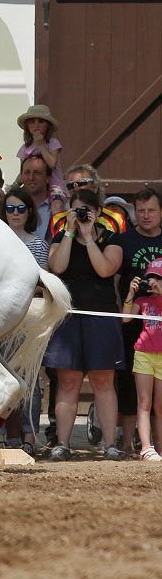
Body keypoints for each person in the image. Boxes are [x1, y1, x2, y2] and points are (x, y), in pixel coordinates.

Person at [45, 187, 124, 461]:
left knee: (104, 382)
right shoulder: (60, 236)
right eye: (75, 210)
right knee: (68, 382)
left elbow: (105, 269)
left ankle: (110, 445)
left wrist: (90, 237)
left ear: (98, 212)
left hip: (101, 317)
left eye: (85, 211)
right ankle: (63, 444)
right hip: (68, 317)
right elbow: (57, 267)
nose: (80, 216)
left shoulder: (111, 238)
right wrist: (69, 232)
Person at [1, 187, 50, 455]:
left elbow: (43, 284)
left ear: (29, 212)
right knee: (1, 377)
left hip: (30, 317)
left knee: (28, 379)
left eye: (20, 208)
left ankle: (29, 436)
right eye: (10, 209)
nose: (15, 214)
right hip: (1, 318)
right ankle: (1, 437)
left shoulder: (38, 243)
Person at [116, 188, 162, 455]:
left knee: (157, 402)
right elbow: (113, 278)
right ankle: (130, 444)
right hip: (133, 320)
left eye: (151, 210)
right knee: (129, 388)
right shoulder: (125, 240)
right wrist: (126, 298)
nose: (145, 216)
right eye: (141, 211)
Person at [122, 260, 162, 462]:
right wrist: (131, 294)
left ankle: (160, 449)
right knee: (144, 403)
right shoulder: (143, 301)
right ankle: (146, 448)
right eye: (150, 278)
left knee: (160, 406)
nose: (152, 282)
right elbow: (126, 319)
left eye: (157, 278)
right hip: (144, 354)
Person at [15, 104, 67, 216]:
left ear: (48, 126)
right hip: (33, 186)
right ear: (27, 126)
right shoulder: (25, 148)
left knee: (56, 206)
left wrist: (41, 145)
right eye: (32, 122)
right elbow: (22, 172)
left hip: (54, 186)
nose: (36, 125)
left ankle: (57, 230)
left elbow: (52, 164)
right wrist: (16, 184)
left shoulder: (52, 143)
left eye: (41, 122)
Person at [51, 164, 127, 237]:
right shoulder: (58, 220)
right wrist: (70, 232)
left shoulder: (116, 218)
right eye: (70, 185)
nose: (76, 188)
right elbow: (57, 248)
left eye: (81, 183)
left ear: (95, 187)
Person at [18, 155, 52, 240]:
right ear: (21, 177)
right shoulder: (12, 208)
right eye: (27, 172)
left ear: (48, 178)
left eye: (37, 173)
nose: (31, 177)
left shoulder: (57, 208)